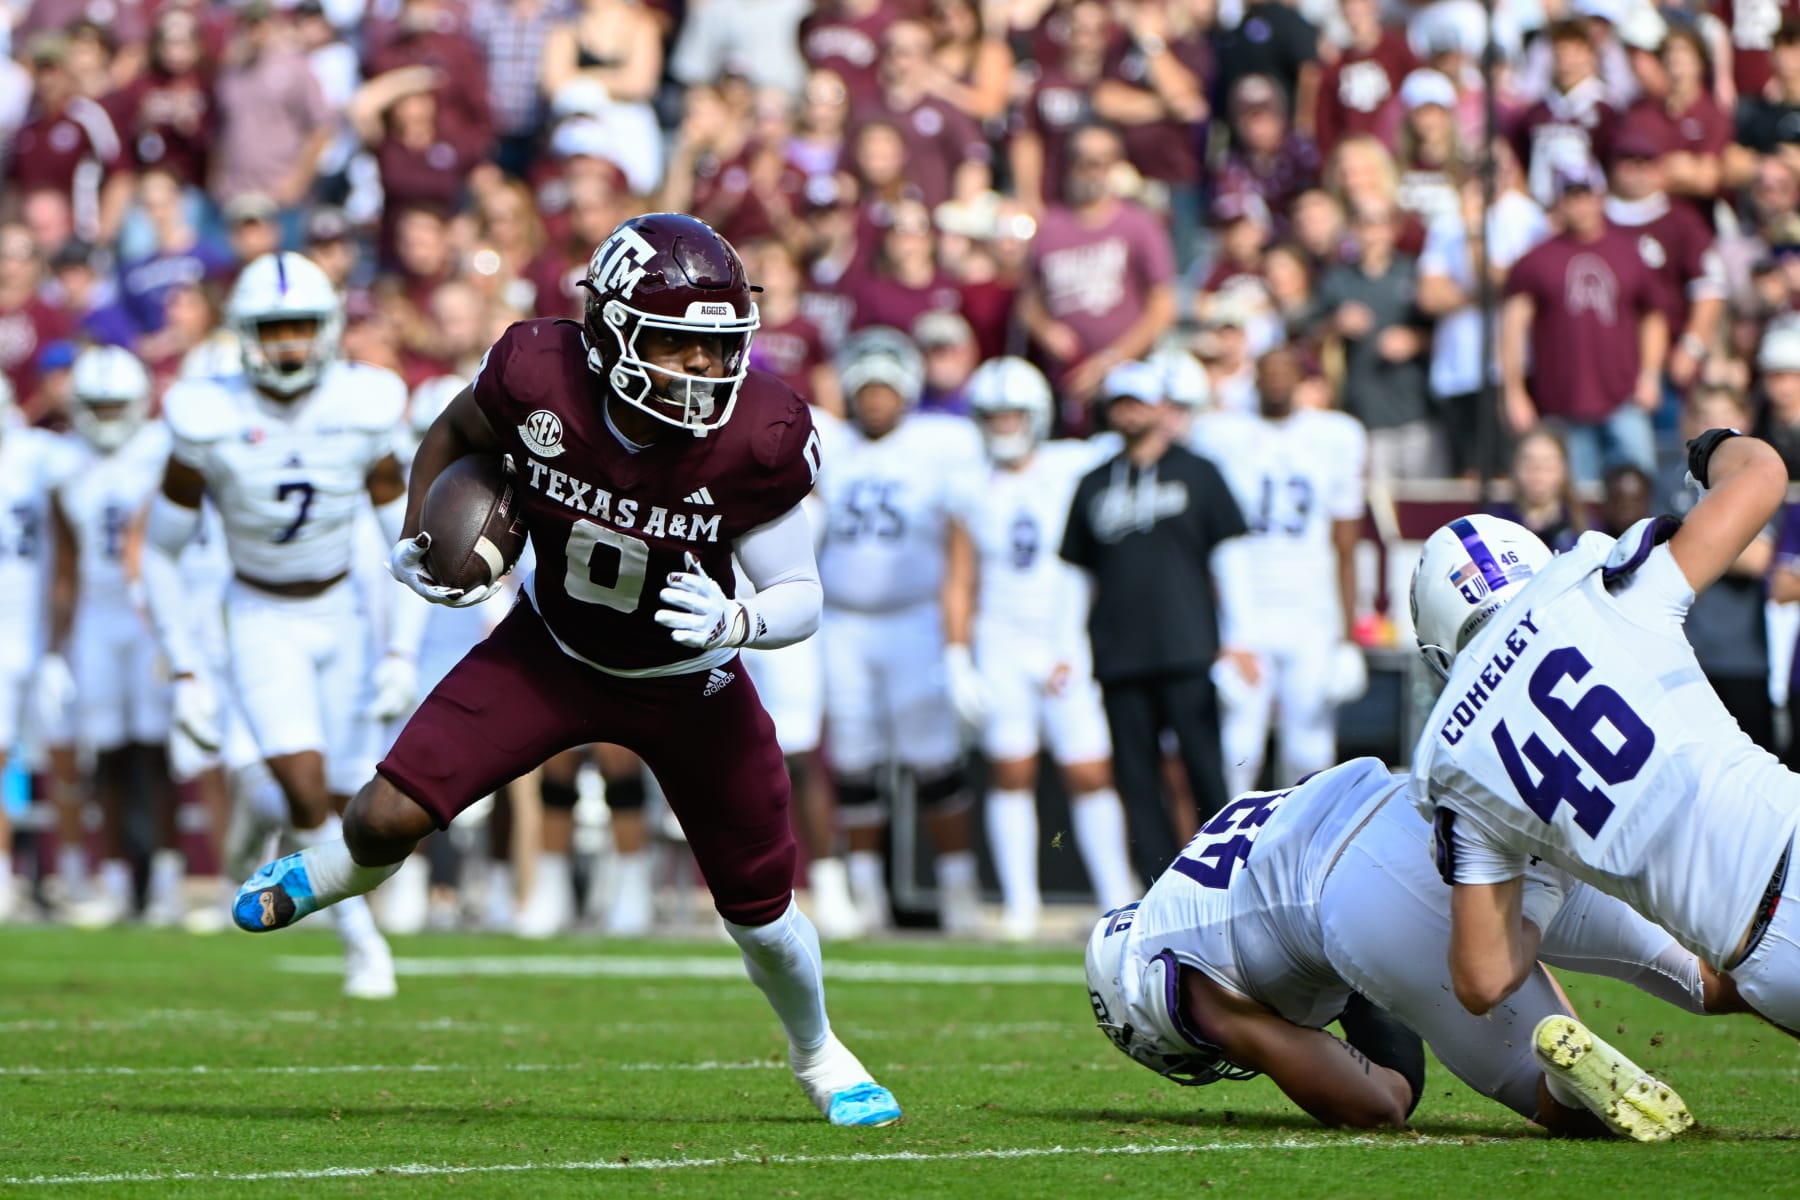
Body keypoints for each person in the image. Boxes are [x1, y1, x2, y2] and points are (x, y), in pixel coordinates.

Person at [230, 214, 902, 1127]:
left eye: (721, 348)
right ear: (614, 333)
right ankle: (326, 872)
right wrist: (421, 537)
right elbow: (456, 429)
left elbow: (802, 591)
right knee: (383, 816)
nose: (709, 371)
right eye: (683, 346)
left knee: (760, 912)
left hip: (690, 683)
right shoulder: (537, 374)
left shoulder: (760, 433)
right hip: (553, 651)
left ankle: (820, 1051)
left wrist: (741, 618)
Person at [1409, 428, 1800, 1037]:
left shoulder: (1457, 763)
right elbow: (1764, 474)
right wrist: (1707, 447)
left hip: (1767, 965)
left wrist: (1544, 891)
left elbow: (1481, 980)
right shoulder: (1598, 589)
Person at [1086, 757, 1706, 1139]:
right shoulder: (1202, 860)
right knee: (1696, 968)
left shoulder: (1173, 983)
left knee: (1552, 1098)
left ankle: (1566, 1080)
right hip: (1422, 806)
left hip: (1356, 889)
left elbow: (1379, 1103)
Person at [139, 252, 409, 999]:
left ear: (326, 331)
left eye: (300, 328)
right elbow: (159, 554)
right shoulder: (208, 414)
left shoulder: (364, 405)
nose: (288, 344)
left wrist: (400, 649)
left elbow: (413, 544)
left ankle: (254, 817)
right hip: (260, 612)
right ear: (246, 335)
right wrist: (186, 668)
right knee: (307, 787)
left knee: (355, 793)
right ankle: (363, 942)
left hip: (345, 611)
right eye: (272, 329)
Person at [942, 356, 1135, 940]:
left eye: (1013, 415)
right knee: (1011, 769)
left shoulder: (1073, 464)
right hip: (1001, 639)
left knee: (1089, 770)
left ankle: (1116, 896)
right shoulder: (968, 484)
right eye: (992, 417)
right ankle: (1021, 905)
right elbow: (959, 577)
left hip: (1064, 637)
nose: (1003, 426)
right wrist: (957, 655)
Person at [815, 326, 985, 933]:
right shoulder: (831, 446)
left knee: (933, 761)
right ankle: (866, 895)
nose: (875, 400)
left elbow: (962, 545)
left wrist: (959, 641)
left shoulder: (941, 445)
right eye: (866, 390)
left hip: (914, 620)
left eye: (885, 389)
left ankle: (959, 887)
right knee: (855, 762)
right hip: (844, 624)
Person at [1059, 361, 1252, 886]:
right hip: (1119, 654)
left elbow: (1230, 557)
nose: (1128, 411)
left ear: (1161, 407)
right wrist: (1068, 647)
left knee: (1205, 772)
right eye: (1120, 402)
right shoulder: (1092, 483)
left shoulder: (1199, 471)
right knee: (1136, 782)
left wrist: (1238, 639)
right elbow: (1075, 575)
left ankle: (1227, 883)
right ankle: (1158, 889)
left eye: (1138, 401)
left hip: (1188, 647)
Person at [44, 347, 186, 926]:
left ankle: (169, 878)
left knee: (157, 751)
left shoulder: (159, 448)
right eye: (95, 407)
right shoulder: (61, 461)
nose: (105, 419)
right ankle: (114, 878)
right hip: (97, 619)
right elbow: (67, 561)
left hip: (148, 613)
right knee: (105, 750)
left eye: (114, 407)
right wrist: (58, 644)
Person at [1191, 347, 1369, 799]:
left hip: (1311, 608)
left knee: (1310, 751)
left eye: (1284, 373)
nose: (1275, 382)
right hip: (1248, 607)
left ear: (1301, 379)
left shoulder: (1334, 436)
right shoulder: (1223, 434)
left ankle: (1304, 856)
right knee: (1239, 745)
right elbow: (1209, 542)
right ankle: (1230, 856)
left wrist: (1348, 638)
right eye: (1266, 373)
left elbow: (1345, 546)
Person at [0, 373, 80, 919]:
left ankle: (73, 873)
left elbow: (72, 529)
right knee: (5, 755)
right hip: (13, 633)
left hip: (42, 630)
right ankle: (6, 872)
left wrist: (57, 638)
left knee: (60, 750)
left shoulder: (37, 454)